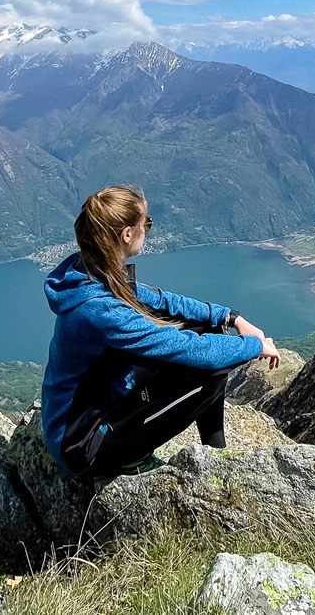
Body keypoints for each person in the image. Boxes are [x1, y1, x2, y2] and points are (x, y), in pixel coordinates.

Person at [41, 185, 281, 480]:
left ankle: (216, 453)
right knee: (212, 369)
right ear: (127, 234)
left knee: (209, 330)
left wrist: (230, 317)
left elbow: (163, 301)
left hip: (101, 402)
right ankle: (131, 461)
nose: (148, 230)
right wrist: (255, 346)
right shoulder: (100, 311)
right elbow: (190, 350)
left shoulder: (90, 271)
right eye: (147, 224)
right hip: (84, 444)